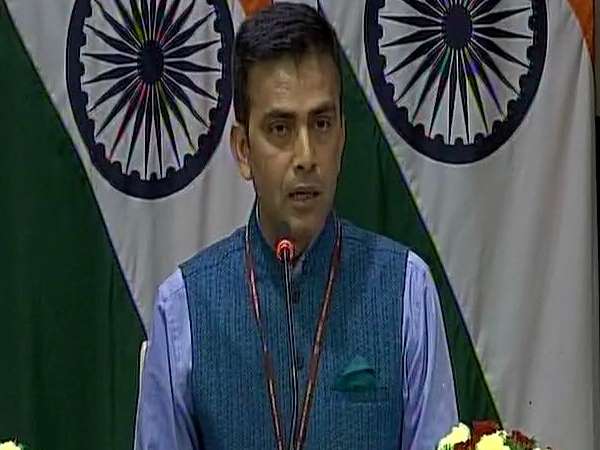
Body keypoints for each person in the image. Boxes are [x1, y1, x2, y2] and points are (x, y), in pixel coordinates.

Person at [134, 3, 458, 449]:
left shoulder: (407, 291)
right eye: (280, 128)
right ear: (243, 150)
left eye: (321, 124)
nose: (306, 156)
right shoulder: (183, 308)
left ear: (342, 136)